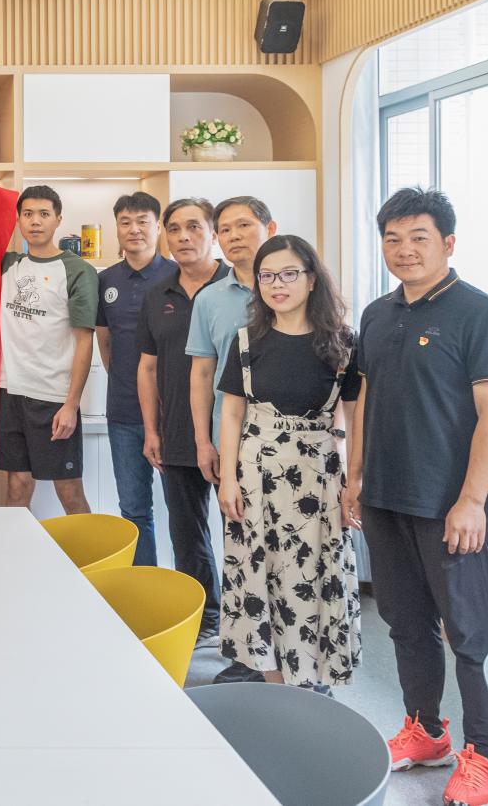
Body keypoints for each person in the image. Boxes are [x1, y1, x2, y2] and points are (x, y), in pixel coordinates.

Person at [347, 188, 488, 806]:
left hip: (449, 506)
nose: (404, 250)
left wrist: (472, 500)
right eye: (392, 239)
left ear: (448, 243)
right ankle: (426, 732)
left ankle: (485, 755)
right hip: (384, 496)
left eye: (418, 237)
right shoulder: (376, 314)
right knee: (405, 625)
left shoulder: (482, 313)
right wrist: (355, 478)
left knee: (469, 635)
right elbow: (366, 397)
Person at [215, 235, 362, 690]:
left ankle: (313, 680)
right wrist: (227, 479)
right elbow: (232, 414)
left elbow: (354, 418)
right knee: (259, 575)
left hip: (319, 477)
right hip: (256, 475)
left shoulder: (343, 344)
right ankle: (276, 684)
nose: (277, 284)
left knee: (313, 574)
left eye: (288, 274)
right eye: (267, 276)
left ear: (312, 279)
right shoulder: (247, 341)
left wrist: (352, 481)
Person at [185, 195, 276, 685]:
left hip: (295, 447)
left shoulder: (298, 287)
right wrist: (204, 442)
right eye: (225, 229)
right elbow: (202, 374)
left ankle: (298, 658)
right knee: (240, 550)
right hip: (233, 443)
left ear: (269, 228)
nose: (234, 235)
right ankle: (246, 656)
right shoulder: (210, 300)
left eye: (244, 225)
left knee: (291, 554)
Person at [137, 197, 228, 648]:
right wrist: (151, 430)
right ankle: (205, 617)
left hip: (233, 434)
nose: (183, 237)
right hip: (175, 430)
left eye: (194, 227)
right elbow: (147, 367)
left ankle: (247, 623)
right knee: (186, 531)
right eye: (174, 229)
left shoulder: (241, 287)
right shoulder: (157, 294)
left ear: (213, 234)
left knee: (241, 531)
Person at [0, 185, 98, 514]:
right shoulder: (7, 265)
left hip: (53, 397)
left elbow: (85, 340)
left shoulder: (77, 270)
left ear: (58, 220)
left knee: (69, 490)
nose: (35, 221)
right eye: (27, 214)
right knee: (17, 485)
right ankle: (13, 548)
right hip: (10, 393)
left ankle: (89, 551)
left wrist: (71, 404)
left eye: (43, 214)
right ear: (18, 221)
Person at [95, 191, 175, 564]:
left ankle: (192, 590)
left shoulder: (178, 275)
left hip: (174, 414)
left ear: (158, 227)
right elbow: (105, 342)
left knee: (184, 509)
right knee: (134, 509)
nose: (134, 229)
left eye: (143, 221)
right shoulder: (106, 280)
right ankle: (145, 583)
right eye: (125, 222)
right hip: (124, 413)